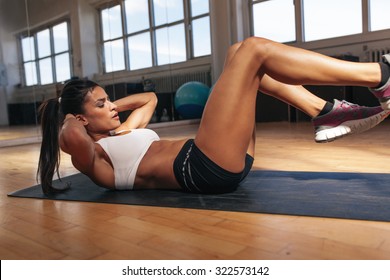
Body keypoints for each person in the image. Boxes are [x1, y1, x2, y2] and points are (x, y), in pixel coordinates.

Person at [38, 37, 390, 195]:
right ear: (80, 120)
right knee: (253, 50)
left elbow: (146, 98)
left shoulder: (123, 132)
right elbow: (69, 136)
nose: (113, 107)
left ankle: (322, 111)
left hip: (215, 158)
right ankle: (380, 77)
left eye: (109, 101)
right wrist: (68, 114)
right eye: (101, 106)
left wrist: (106, 104)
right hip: (202, 167)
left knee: (237, 52)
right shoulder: (95, 158)